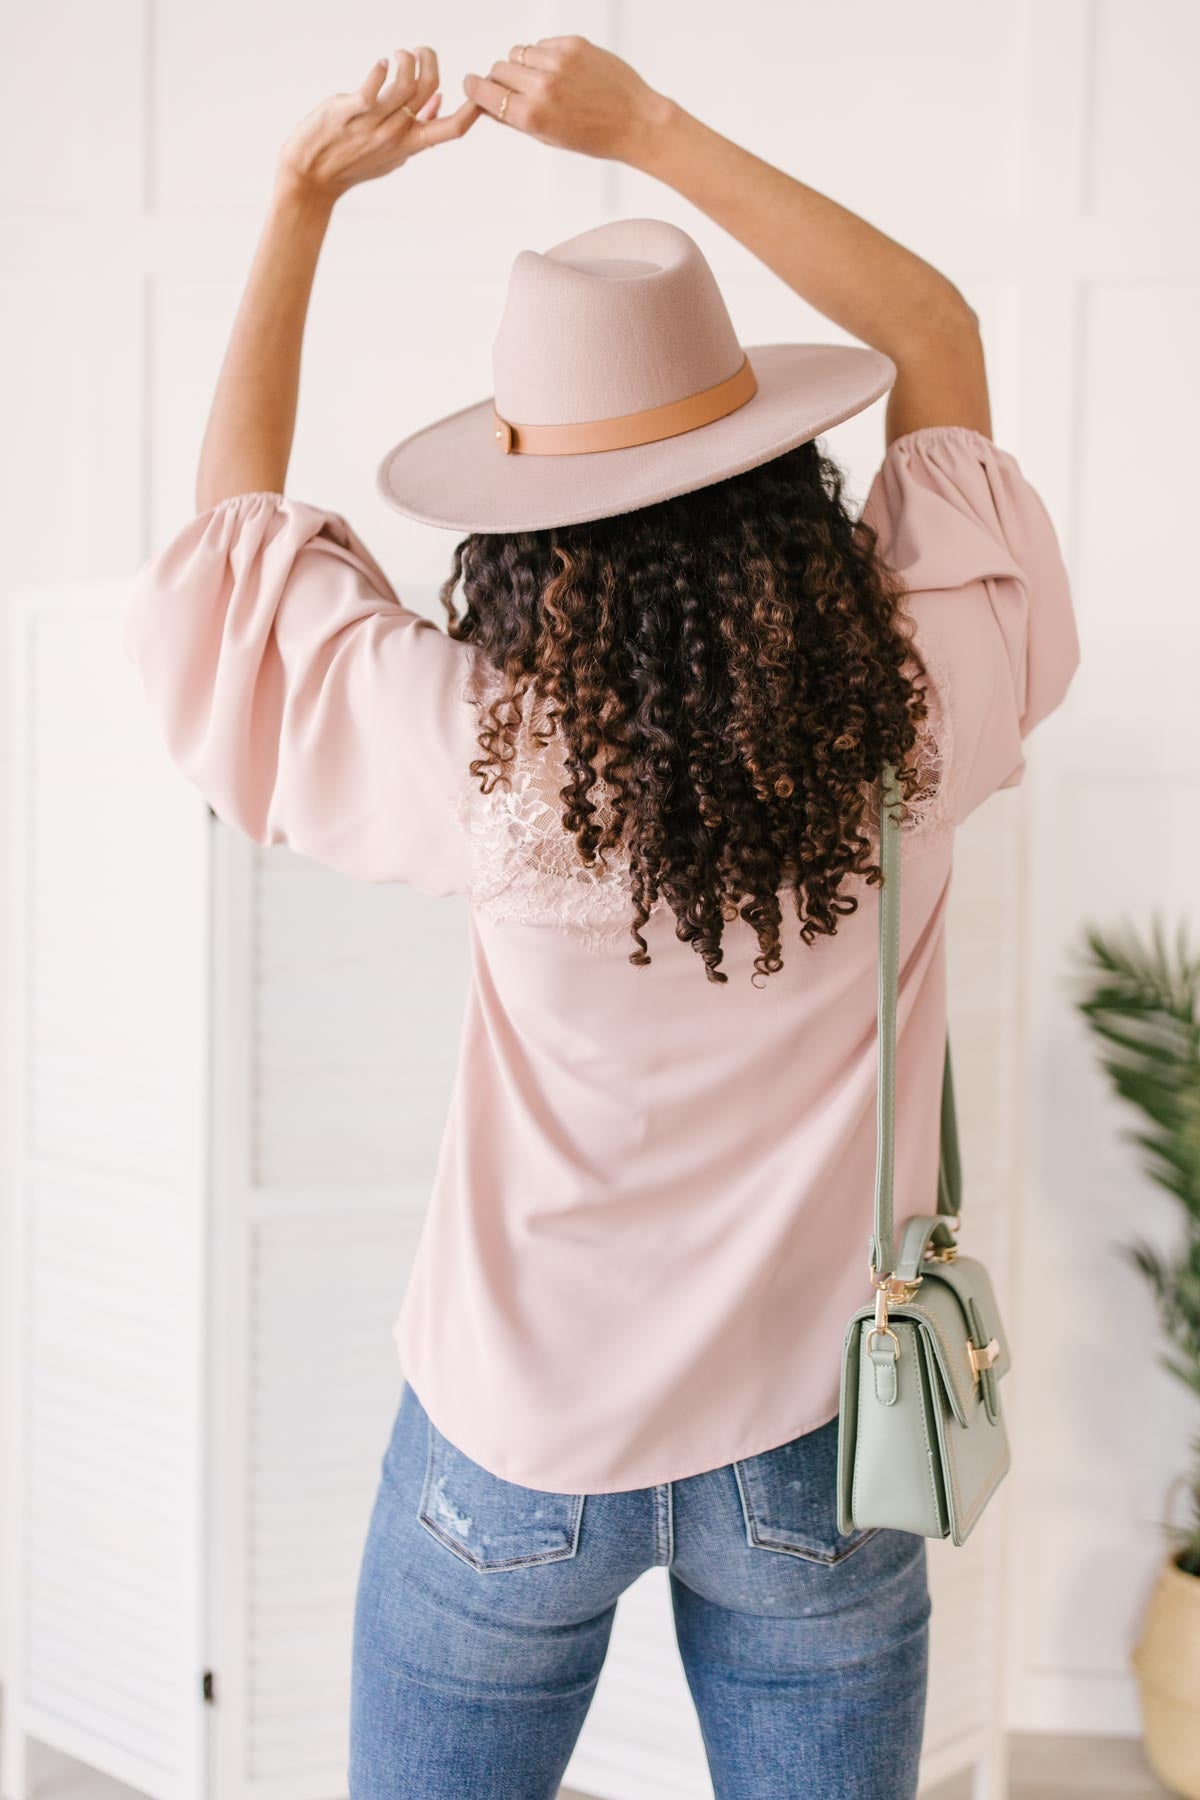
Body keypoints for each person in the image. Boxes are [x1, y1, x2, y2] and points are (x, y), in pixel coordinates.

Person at [122, 34, 1080, 1800]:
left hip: (513, 1448)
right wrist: (646, 131)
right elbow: (937, 327)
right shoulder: (915, 708)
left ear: (531, 528)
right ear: (785, 474)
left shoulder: (492, 751)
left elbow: (236, 557)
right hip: (818, 1441)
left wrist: (297, 201)